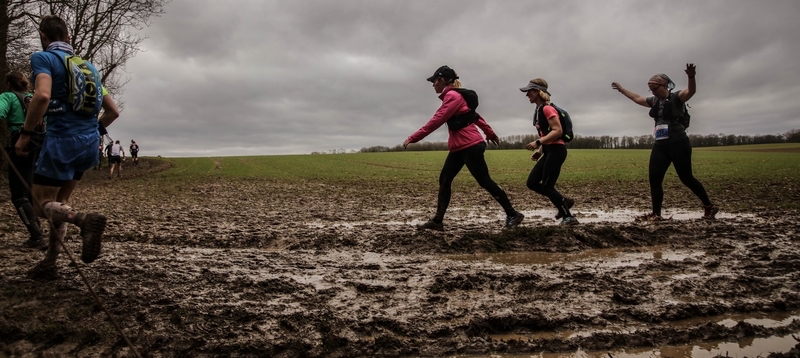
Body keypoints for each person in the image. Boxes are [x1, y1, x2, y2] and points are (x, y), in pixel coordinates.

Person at [14, 15, 120, 279]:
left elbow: (42, 95)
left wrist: (25, 134)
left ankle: (83, 220)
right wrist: (93, 131)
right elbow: (113, 111)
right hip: (88, 144)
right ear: (69, 37)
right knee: (59, 203)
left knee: (40, 205)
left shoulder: (44, 58)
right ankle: (50, 264)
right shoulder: (89, 68)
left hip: (61, 140)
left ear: (43, 36)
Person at [403, 65, 524, 231]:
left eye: (434, 81)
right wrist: (489, 133)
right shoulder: (455, 97)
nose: (433, 85)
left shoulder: (452, 96)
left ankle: (512, 214)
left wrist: (413, 137)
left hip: (470, 145)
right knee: (445, 180)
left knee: (484, 181)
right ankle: (437, 221)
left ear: (442, 80)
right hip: (459, 147)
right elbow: (475, 116)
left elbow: (437, 120)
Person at [611, 63, 718, 221]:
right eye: (651, 90)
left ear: (665, 85)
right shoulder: (654, 101)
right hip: (660, 144)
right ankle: (656, 214)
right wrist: (622, 90)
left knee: (686, 178)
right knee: (654, 178)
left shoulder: (677, 97)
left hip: (679, 142)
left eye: (655, 89)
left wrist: (691, 76)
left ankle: (709, 206)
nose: (653, 92)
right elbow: (637, 98)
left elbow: (691, 91)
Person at [519, 78, 579, 225]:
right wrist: (540, 150)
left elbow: (557, 131)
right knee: (532, 182)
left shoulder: (547, 109)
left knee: (547, 186)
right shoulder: (538, 110)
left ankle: (568, 217)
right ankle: (563, 201)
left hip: (557, 151)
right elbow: (546, 133)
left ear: (538, 92)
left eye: (529, 92)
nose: (527, 95)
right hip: (548, 150)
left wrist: (538, 142)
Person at [1, 71, 46, 248]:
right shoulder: (35, 98)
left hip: (21, 141)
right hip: (42, 144)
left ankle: (36, 236)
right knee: (31, 190)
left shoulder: (8, 96)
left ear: (9, 84)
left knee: (18, 193)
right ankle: (39, 231)